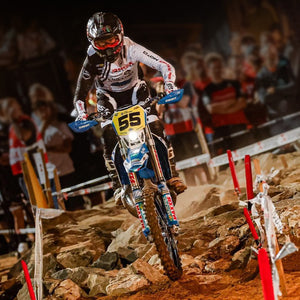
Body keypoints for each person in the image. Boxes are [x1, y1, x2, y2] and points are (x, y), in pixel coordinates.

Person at [72, 12, 187, 203]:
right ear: (92, 42)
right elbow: (80, 92)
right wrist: (82, 114)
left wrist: (169, 85)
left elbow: (164, 65)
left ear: (120, 35)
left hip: (136, 92)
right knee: (108, 135)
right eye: (101, 43)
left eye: (111, 40)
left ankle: (172, 175)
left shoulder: (131, 48)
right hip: (109, 99)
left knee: (156, 127)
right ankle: (119, 185)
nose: (108, 47)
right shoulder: (91, 58)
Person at [202, 52, 250, 155]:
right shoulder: (207, 90)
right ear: (209, 70)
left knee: (248, 154)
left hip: (239, 124)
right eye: (214, 68)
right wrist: (232, 103)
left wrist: (222, 108)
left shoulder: (234, 84)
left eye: (219, 67)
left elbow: (243, 103)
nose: (217, 70)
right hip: (222, 129)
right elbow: (211, 109)